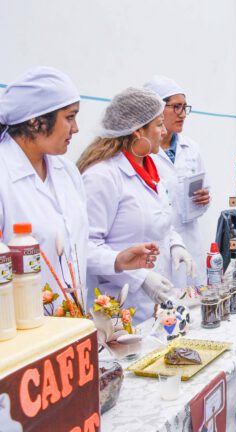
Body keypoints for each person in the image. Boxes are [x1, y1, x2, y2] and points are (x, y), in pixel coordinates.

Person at [0, 67, 158, 314]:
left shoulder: (66, 172)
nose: (76, 128)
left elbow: (78, 246)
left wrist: (116, 260)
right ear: (36, 121)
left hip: (71, 323)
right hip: (22, 333)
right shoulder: (4, 176)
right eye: (70, 117)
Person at [78, 87, 196, 323]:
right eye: (159, 125)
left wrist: (175, 245)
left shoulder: (151, 169)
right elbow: (85, 248)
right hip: (121, 308)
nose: (164, 132)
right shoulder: (102, 177)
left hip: (158, 303)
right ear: (137, 131)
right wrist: (140, 278)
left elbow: (161, 219)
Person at [144, 75, 210, 289]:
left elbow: (205, 190)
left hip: (189, 237)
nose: (183, 114)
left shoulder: (191, 148)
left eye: (185, 107)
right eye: (176, 107)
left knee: (194, 301)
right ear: (156, 109)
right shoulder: (143, 151)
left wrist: (204, 199)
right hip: (158, 244)